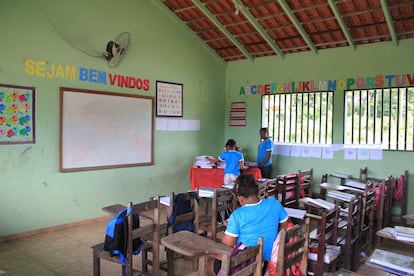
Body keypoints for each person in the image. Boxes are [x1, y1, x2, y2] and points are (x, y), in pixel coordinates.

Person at [212, 174, 288, 275]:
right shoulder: (274, 203)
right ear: (257, 191)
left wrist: (230, 229)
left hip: (247, 263)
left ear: (241, 198)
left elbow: (226, 246)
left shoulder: (237, 216)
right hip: (270, 259)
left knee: (212, 263)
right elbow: (284, 227)